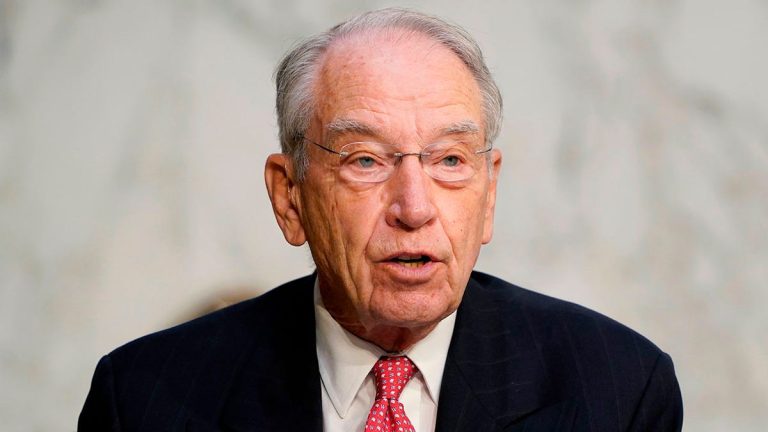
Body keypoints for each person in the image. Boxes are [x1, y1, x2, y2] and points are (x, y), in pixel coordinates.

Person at [79, 8, 683, 431]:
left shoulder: (617, 388)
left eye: (450, 160)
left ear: (489, 192)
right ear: (290, 197)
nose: (414, 208)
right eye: (365, 160)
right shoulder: (145, 398)